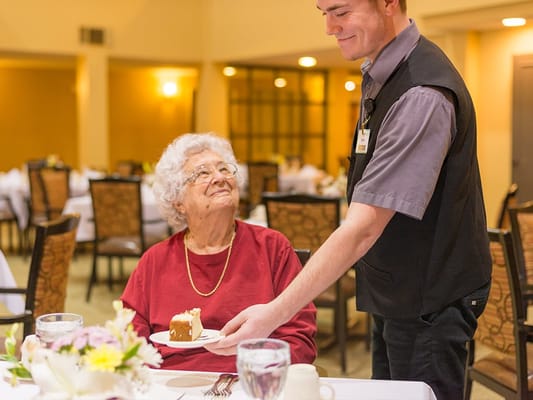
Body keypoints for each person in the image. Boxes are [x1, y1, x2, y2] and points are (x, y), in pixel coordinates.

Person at [207, 1, 491, 398]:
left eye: (340, 12)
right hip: (397, 290)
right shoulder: (381, 73)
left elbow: (363, 228)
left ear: (390, 4)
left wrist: (273, 314)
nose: (329, 28)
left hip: (431, 299)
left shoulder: (422, 93)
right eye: (323, 12)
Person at [120, 132, 317, 373]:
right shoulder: (155, 261)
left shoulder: (272, 248)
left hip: (251, 382)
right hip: (172, 384)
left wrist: (259, 376)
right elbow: (129, 335)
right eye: (203, 173)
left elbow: (299, 338)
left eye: (224, 169)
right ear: (177, 201)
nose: (219, 178)